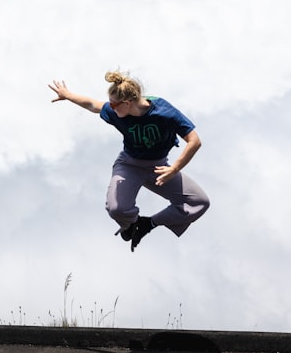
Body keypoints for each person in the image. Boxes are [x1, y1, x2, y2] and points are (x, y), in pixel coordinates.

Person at [49, 71, 210, 251]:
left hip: (159, 168)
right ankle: (131, 224)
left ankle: (147, 224)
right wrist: (68, 95)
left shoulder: (165, 113)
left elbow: (194, 140)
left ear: (127, 103)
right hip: (129, 165)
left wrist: (174, 169)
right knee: (116, 208)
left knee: (199, 202)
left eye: (114, 104)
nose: (110, 108)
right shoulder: (117, 111)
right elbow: (93, 105)